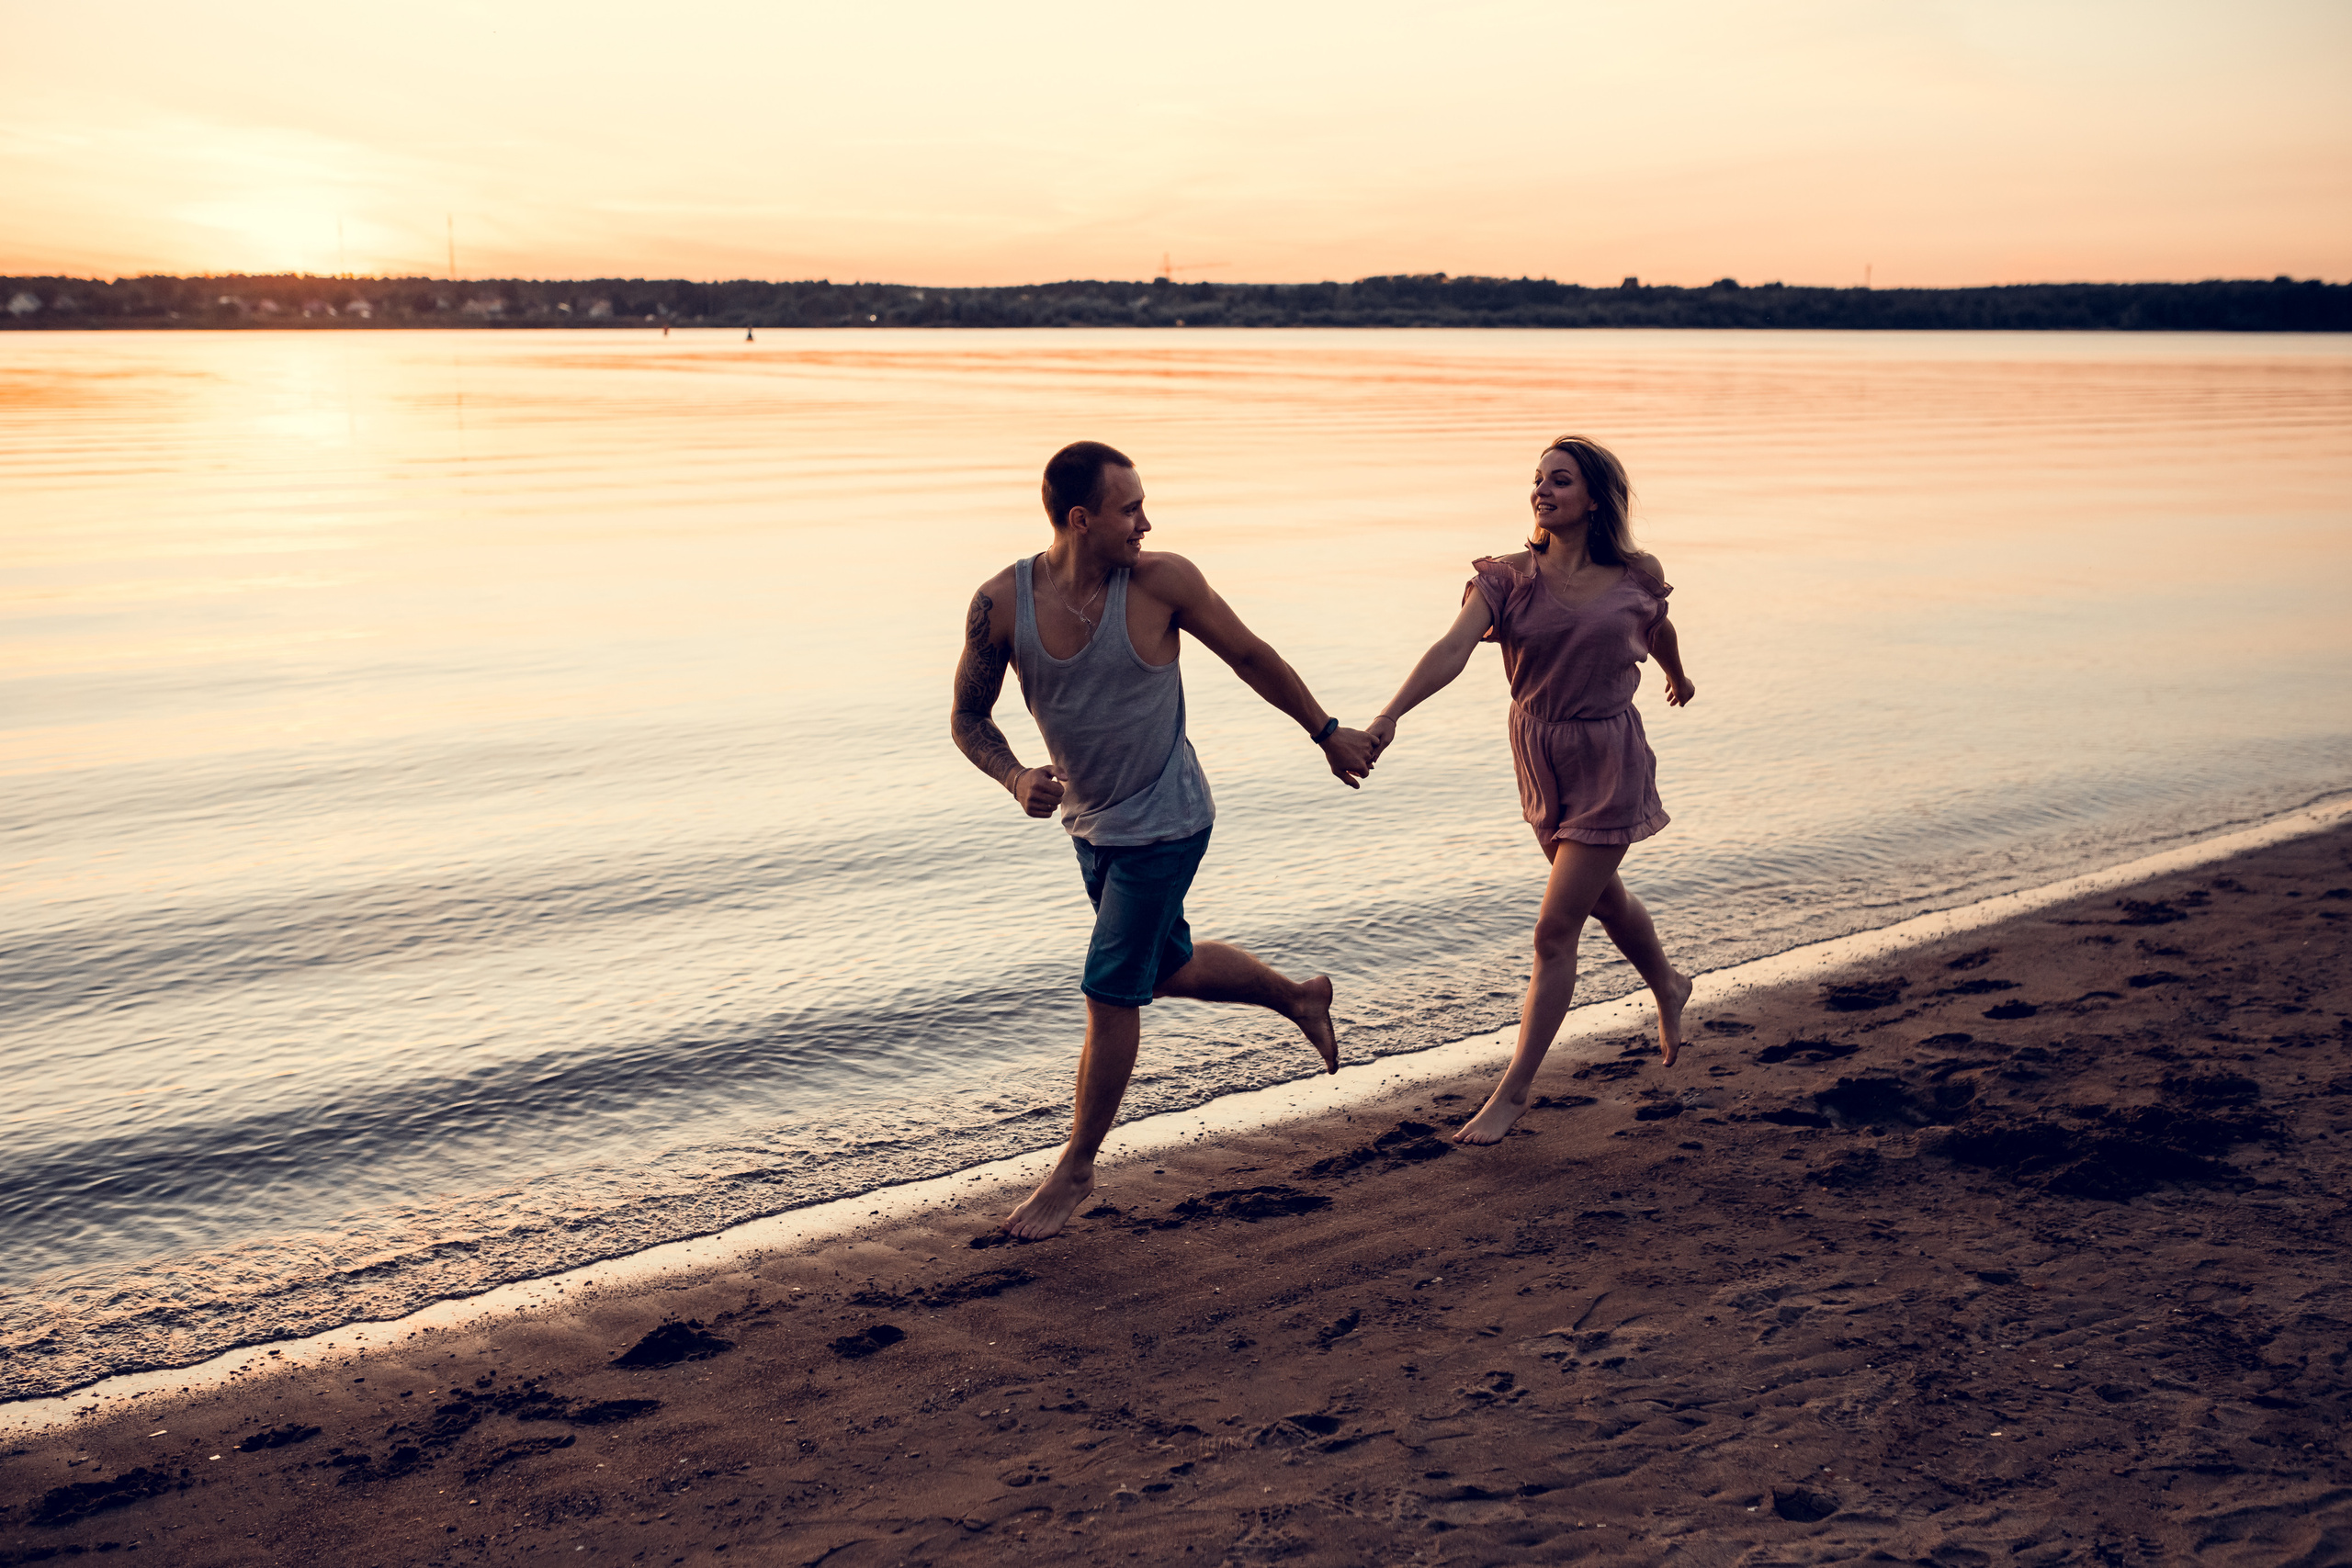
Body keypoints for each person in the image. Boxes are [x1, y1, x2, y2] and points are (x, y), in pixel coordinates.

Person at [952, 440, 1378, 1239]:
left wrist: (1325, 731)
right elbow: (968, 719)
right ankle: (1298, 997)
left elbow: (1251, 655)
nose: (1146, 521)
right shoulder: (999, 605)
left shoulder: (1162, 582)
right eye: (1129, 508)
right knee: (1165, 966)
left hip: (1169, 817)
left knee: (1110, 986)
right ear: (1081, 520)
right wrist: (1014, 776)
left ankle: (1075, 1168)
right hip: (1093, 827)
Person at [1366, 434, 1695, 1145]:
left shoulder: (1638, 572)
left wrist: (1676, 673)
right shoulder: (1507, 578)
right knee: (1603, 897)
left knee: (1555, 931)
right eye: (1538, 480)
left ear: (1595, 498)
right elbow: (1452, 648)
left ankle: (1512, 1093)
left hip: (1609, 754)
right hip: (1539, 754)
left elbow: (1656, 625)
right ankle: (1669, 984)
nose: (1542, 491)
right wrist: (1389, 715)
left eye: (1560, 481)